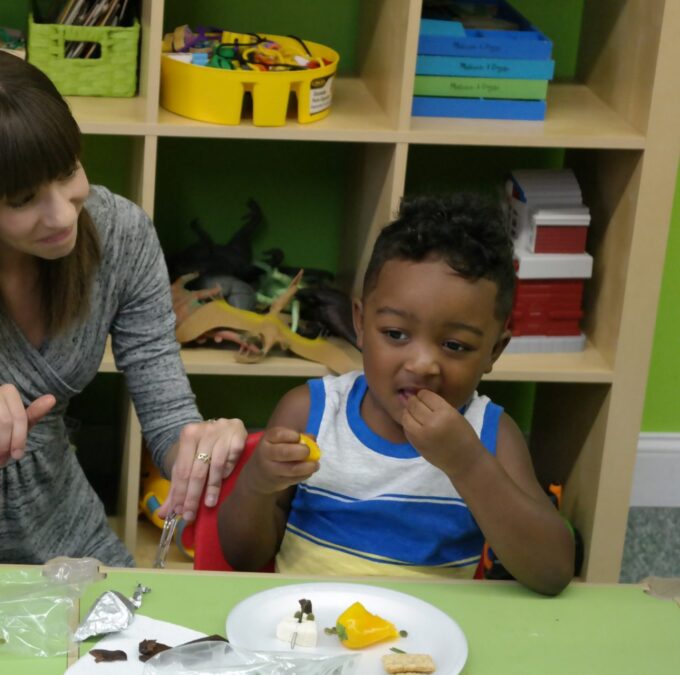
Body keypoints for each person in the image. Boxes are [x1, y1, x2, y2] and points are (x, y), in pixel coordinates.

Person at [0, 49, 247, 566]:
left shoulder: (121, 233)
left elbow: (166, 414)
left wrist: (202, 448)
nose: (62, 213)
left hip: (66, 532)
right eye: (22, 199)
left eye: (69, 170)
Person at [218, 194, 574, 595]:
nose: (422, 364)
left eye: (455, 345)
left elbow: (553, 572)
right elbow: (241, 557)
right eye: (395, 334)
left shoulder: (489, 435)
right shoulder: (311, 413)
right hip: (309, 632)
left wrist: (468, 464)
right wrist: (257, 484)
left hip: (431, 645)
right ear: (360, 323)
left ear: (494, 351)